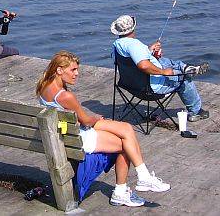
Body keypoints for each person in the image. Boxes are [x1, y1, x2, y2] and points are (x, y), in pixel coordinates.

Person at [36, 51, 171, 207]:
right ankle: (122, 191)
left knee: (126, 128)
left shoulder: (44, 86)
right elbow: (86, 121)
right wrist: (96, 118)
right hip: (77, 137)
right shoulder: (65, 96)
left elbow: (78, 118)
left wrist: (92, 119)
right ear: (59, 70)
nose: (77, 74)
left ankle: (144, 177)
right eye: (73, 70)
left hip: (64, 132)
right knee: (125, 145)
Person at [111, 15, 209, 122]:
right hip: (150, 89)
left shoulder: (117, 45)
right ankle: (195, 112)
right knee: (184, 78)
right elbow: (143, 65)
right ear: (133, 28)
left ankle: (184, 67)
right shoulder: (134, 45)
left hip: (130, 85)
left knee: (163, 61)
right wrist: (163, 72)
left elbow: (131, 62)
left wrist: (149, 50)